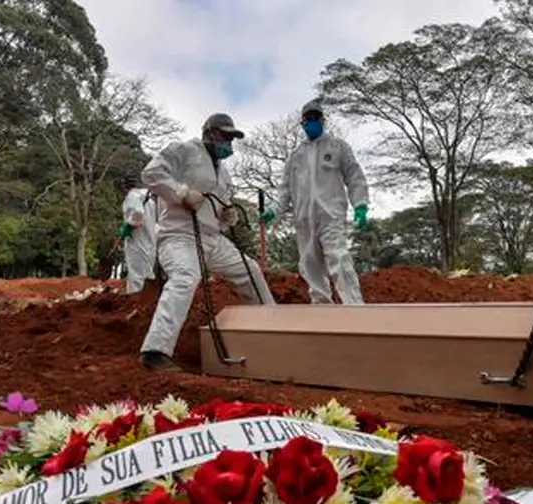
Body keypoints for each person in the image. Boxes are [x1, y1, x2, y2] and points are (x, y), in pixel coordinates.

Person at [138, 113, 277, 372]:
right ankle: (155, 350)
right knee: (185, 277)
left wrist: (226, 216)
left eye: (232, 138)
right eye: (226, 136)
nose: (229, 143)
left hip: (213, 239)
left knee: (250, 271)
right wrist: (181, 193)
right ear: (210, 133)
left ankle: (273, 329)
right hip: (180, 236)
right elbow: (151, 173)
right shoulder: (183, 150)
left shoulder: (224, 173)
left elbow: (217, 210)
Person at [262, 99, 370, 305]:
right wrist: (274, 210)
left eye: (315, 118)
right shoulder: (295, 156)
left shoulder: (338, 147)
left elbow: (354, 176)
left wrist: (360, 204)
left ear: (323, 120)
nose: (312, 122)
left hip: (331, 216)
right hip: (304, 220)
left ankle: (355, 307)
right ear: (302, 123)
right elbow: (285, 190)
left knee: (338, 259)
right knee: (310, 266)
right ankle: (321, 309)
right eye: (308, 119)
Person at [118, 174, 158, 294]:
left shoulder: (132, 196)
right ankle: (146, 300)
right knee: (146, 273)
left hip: (137, 241)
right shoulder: (148, 198)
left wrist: (127, 227)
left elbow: (138, 213)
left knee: (137, 274)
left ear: (125, 187)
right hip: (149, 240)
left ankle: (136, 301)